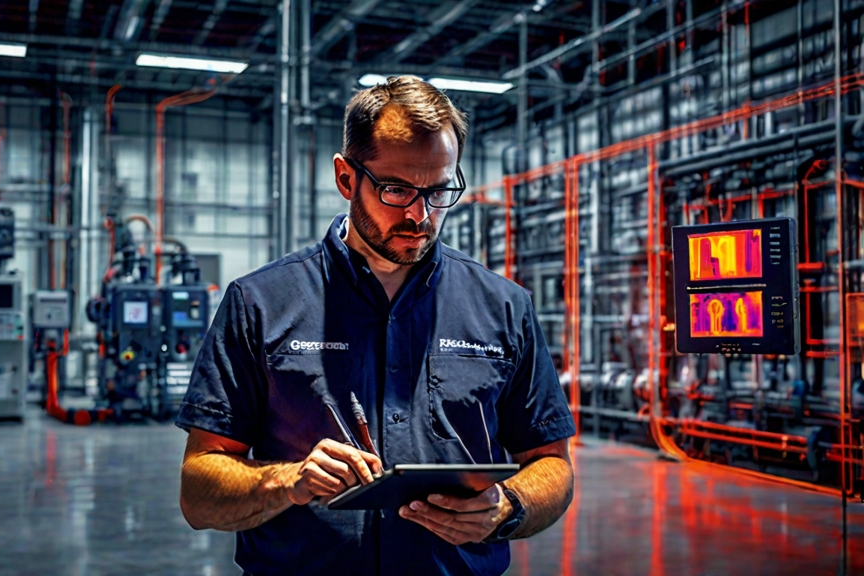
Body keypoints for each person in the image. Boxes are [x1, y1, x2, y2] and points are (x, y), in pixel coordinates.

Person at [176, 75, 576, 575]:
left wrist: (507, 507)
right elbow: (198, 490)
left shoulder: (504, 307)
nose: (421, 215)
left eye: (439, 191)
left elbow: (553, 465)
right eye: (396, 190)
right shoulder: (259, 303)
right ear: (347, 179)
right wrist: (289, 481)